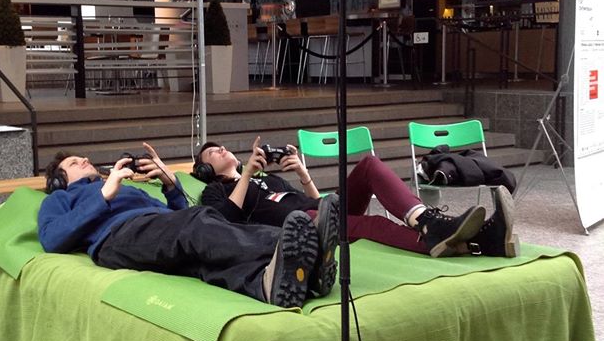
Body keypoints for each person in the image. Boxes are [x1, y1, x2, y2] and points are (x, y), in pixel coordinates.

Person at [38, 142, 339, 309]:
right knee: (197, 223)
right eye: (75, 162)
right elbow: (52, 238)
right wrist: (104, 194)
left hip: (155, 229)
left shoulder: (127, 188)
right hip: (117, 238)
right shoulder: (61, 198)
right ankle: (301, 248)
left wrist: (170, 183)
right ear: (59, 181)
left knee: (204, 255)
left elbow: (179, 217)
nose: (85, 159)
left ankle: (271, 283)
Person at [193, 137, 520, 258]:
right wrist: (246, 174)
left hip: (320, 209)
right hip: (305, 228)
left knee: (369, 164)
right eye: (212, 153)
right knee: (371, 223)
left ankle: (428, 221)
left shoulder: (270, 177)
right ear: (205, 170)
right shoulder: (216, 190)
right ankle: (481, 241)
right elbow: (227, 220)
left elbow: (311, 199)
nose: (221, 149)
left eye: (221, 146)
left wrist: (304, 174)